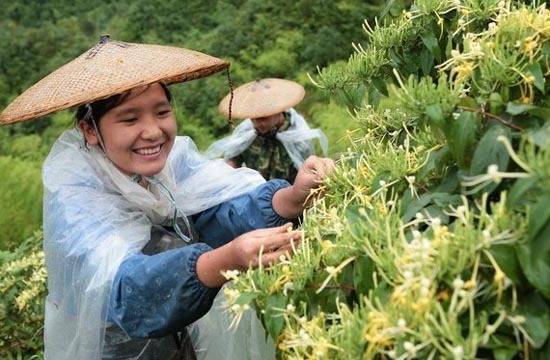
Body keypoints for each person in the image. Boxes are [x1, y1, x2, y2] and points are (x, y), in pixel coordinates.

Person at [0, 36, 334, 360]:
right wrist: (222, 262)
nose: (153, 131)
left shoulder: (173, 164)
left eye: (161, 112)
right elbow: (121, 291)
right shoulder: (75, 194)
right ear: (90, 130)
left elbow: (215, 212)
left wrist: (291, 198)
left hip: (183, 337)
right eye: (130, 119)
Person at [205, 78, 329, 183]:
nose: (257, 124)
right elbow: (234, 159)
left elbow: (307, 172)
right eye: (253, 119)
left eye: (263, 119)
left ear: (279, 111)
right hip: (255, 198)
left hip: (289, 201)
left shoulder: (296, 135)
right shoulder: (248, 132)